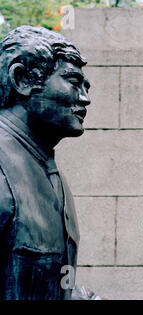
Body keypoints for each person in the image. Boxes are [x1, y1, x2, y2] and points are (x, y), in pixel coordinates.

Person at [0, 25, 98, 300]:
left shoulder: (51, 173)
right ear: (22, 79)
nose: (85, 98)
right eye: (72, 81)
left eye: (86, 87)